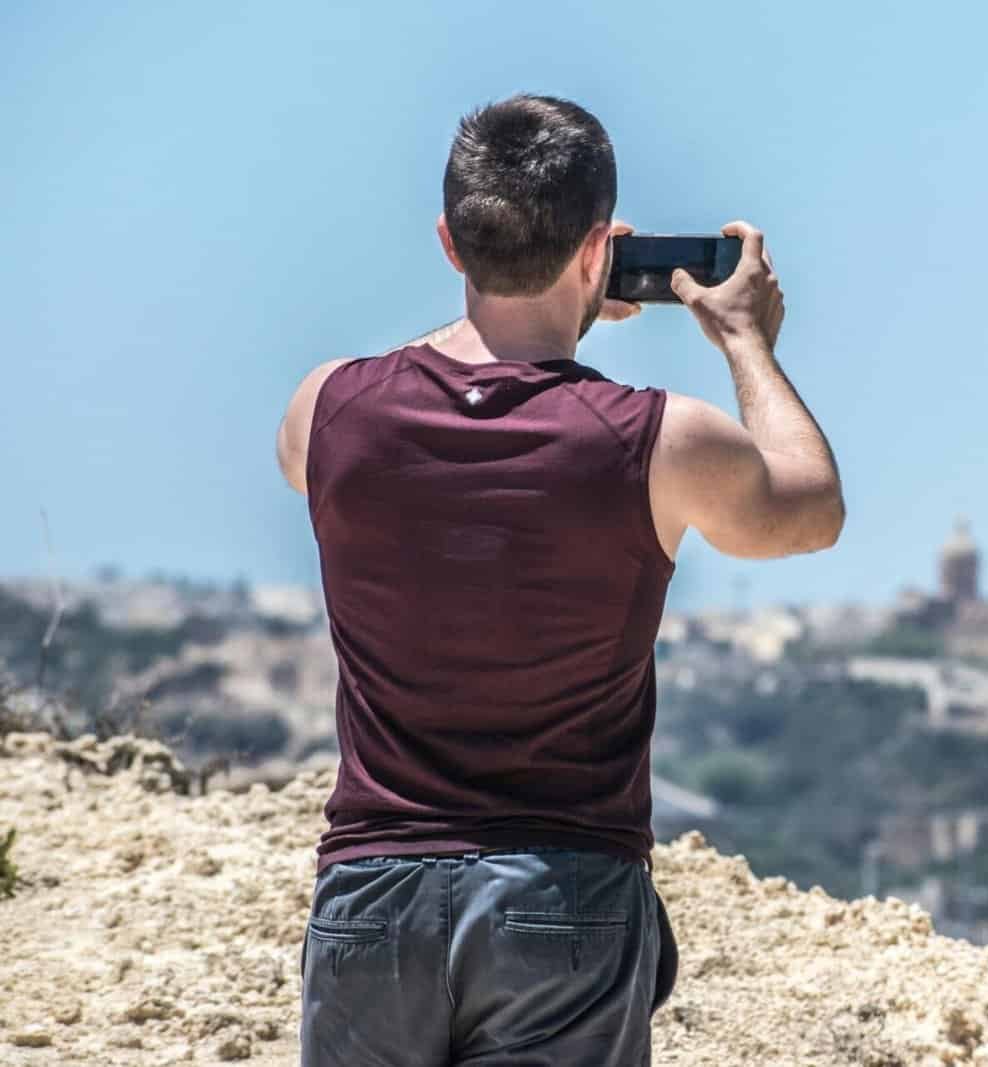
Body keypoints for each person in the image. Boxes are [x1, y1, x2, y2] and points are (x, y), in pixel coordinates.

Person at [274, 93, 845, 1066]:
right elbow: (809, 509)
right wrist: (745, 340)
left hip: (371, 893)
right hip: (561, 891)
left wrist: (536, 297)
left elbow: (445, 379)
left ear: (451, 244)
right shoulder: (661, 438)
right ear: (597, 247)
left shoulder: (325, 409)